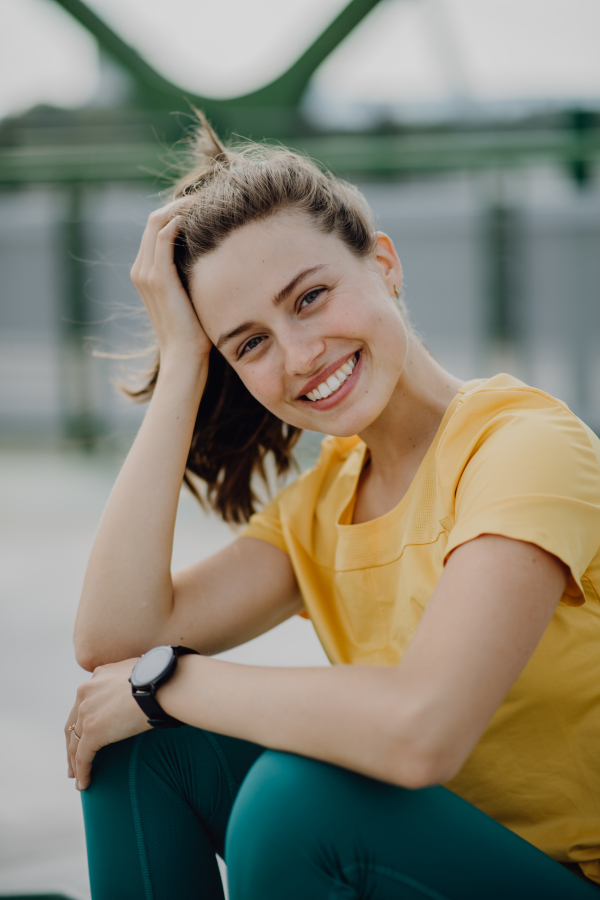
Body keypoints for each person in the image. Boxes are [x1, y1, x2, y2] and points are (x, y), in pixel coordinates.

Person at [65, 115, 600, 900]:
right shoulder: (322, 508)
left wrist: (162, 686)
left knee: (291, 799)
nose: (299, 355)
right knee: (140, 748)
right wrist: (182, 364)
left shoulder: (523, 445)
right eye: (249, 343)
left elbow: (423, 731)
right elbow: (113, 640)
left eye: (310, 297)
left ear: (384, 265)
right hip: (425, 862)